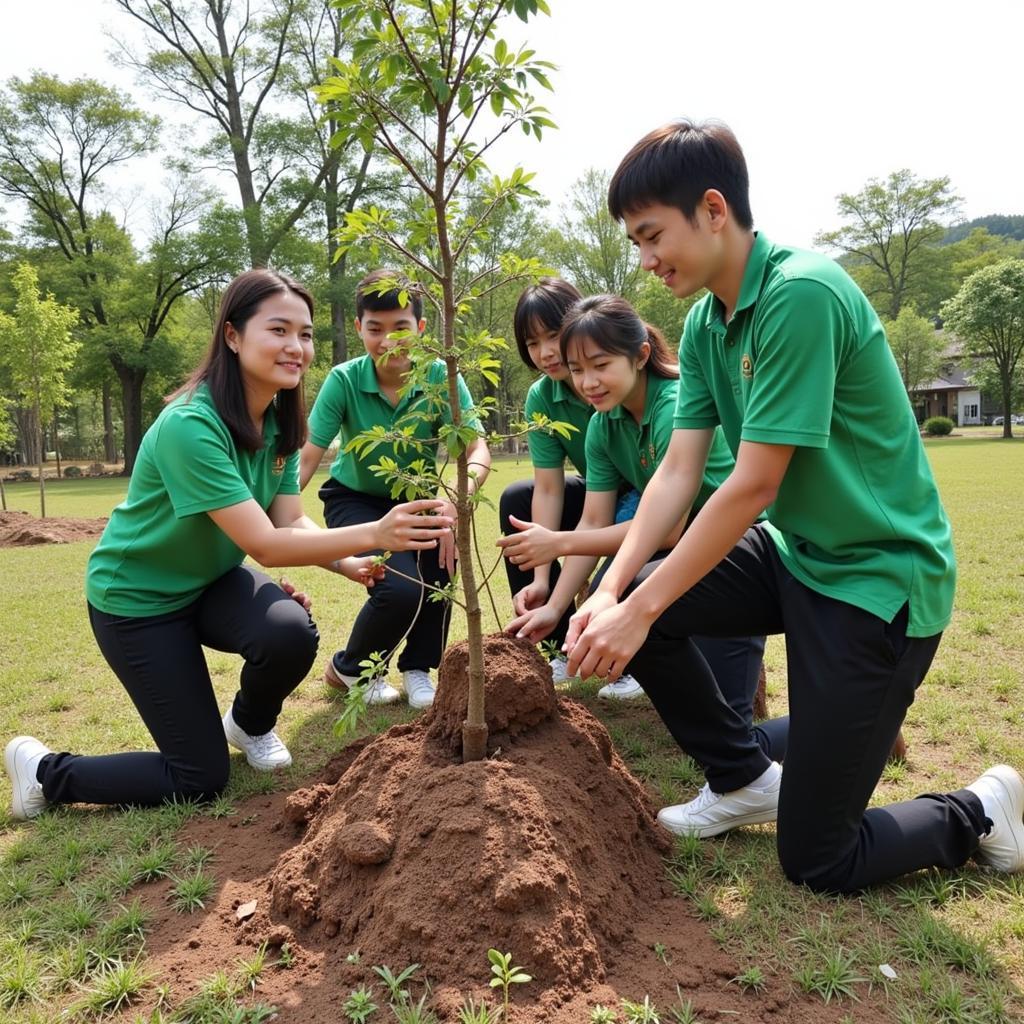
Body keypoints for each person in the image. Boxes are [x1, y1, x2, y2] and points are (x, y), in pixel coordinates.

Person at [561, 118, 1024, 893]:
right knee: (644, 605)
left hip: (876, 579)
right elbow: (679, 471)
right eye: (635, 242)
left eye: (651, 236)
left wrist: (636, 607)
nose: (644, 261)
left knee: (818, 857)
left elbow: (752, 483)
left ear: (713, 210)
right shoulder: (709, 321)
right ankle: (742, 776)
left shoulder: (799, 294)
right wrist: (612, 592)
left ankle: (980, 809)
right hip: (794, 552)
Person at [4, 269, 453, 821]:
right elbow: (265, 544)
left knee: (289, 630)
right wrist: (378, 533)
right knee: (198, 777)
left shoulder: (279, 421)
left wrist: (347, 561)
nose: (297, 347)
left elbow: (289, 517)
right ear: (233, 335)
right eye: (279, 330)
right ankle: (45, 772)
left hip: (209, 582)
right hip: (138, 603)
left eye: (306, 334)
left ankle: (249, 723)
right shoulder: (191, 425)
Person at [505, 293, 785, 759]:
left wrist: (558, 542)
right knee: (628, 601)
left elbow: (669, 531)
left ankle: (865, 728)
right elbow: (596, 517)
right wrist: (555, 605)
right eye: (577, 371)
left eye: (600, 365)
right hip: (675, 554)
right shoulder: (603, 424)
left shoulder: (675, 403)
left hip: (736, 547)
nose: (588, 382)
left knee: (735, 733)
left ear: (639, 355)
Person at [300, 270, 491, 709]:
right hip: (355, 499)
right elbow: (308, 454)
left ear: (421, 329)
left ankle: (418, 669)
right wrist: (277, 511)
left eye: (401, 328)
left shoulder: (444, 377)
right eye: (375, 329)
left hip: (424, 501)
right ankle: (352, 669)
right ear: (359, 329)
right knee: (400, 586)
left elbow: (475, 445)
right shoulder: (344, 381)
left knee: (441, 573)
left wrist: (454, 504)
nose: (388, 341)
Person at [498, 277, 640, 694]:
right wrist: (542, 576)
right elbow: (548, 488)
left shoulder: (618, 377)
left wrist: (561, 542)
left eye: (553, 335)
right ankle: (560, 647)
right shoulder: (542, 397)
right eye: (531, 342)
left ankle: (621, 656)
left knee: (611, 565)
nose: (544, 353)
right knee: (517, 499)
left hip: (647, 488)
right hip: (601, 489)